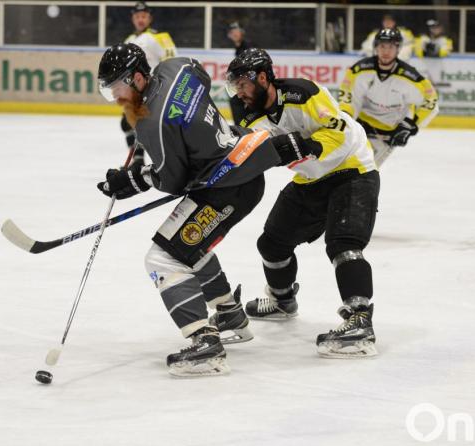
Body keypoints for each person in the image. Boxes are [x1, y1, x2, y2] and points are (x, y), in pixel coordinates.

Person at [96, 43, 313, 376]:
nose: (117, 95)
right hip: (240, 163)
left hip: (227, 188)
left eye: (118, 87)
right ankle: (228, 313)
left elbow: (172, 180)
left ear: (138, 77)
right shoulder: (176, 67)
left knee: (163, 258)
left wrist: (133, 179)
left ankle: (205, 341)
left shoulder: (152, 123)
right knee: (184, 244)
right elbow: (198, 70)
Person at [226, 48, 381, 358]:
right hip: (310, 179)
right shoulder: (246, 113)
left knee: (343, 244)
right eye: (235, 86)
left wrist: (303, 146)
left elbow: (341, 136)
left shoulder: (303, 93)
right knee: (272, 244)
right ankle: (283, 300)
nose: (239, 93)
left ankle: (360, 320)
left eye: (242, 84)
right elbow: (253, 154)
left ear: (262, 77)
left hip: (352, 169)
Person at [340, 28, 439, 168]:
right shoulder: (359, 70)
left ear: (398, 49)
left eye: (391, 47)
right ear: (375, 47)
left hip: (388, 135)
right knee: (339, 168)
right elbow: (348, 98)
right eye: (382, 46)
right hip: (361, 128)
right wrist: (347, 120)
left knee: (362, 173)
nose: (386, 51)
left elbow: (431, 102)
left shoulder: (411, 77)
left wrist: (410, 125)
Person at [120, 1, 178, 163]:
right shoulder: (129, 39)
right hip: (133, 90)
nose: (140, 19)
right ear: (132, 18)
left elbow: (172, 61)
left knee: (144, 126)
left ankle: (149, 160)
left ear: (150, 18)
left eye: (144, 16)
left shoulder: (160, 37)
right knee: (128, 124)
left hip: (152, 89)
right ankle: (138, 159)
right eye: (137, 16)